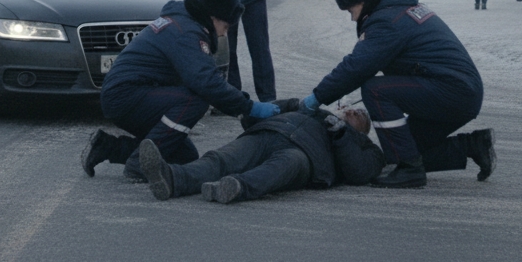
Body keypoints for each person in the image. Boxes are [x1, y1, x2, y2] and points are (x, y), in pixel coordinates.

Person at [297, 0, 495, 188]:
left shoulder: (387, 20)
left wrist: (316, 97)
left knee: (375, 90)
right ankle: (473, 145)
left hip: (452, 91)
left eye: (350, 10)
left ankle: (410, 171)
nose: (352, 17)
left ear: (363, 1)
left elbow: (356, 66)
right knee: (403, 148)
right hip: (460, 90)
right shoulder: (399, 9)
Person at [84, 0, 281, 180]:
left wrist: (240, 107)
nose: (223, 34)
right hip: (126, 96)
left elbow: (202, 79)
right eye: (226, 27)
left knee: (183, 156)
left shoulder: (183, 22)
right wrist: (248, 107)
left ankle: (108, 147)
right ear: (213, 18)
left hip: (135, 94)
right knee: (194, 101)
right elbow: (206, 83)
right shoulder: (187, 32)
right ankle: (139, 165)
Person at [138, 101, 386, 203]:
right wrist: (263, 108)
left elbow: (359, 172)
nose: (354, 112)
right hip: (268, 132)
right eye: (353, 109)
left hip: (307, 156)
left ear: (363, 132)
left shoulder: (365, 147)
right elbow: (254, 116)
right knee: (221, 158)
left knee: (283, 165)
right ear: (341, 106)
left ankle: (234, 187)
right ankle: (171, 178)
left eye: (360, 117)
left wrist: (343, 135)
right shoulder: (311, 108)